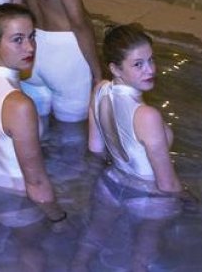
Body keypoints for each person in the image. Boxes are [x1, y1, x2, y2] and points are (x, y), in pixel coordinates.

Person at [81, 24, 192, 269]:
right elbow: (166, 183)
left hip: (110, 185)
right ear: (115, 68)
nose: (150, 70)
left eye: (151, 60)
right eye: (138, 64)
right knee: (141, 260)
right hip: (148, 198)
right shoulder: (147, 115)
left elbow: (95, 150)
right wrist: (187, 199)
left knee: (91, 241)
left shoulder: (99, 90)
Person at [0, 3, 68, 229]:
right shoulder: (19, 105)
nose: (30, 47)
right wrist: (58, 218)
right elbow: (36, 182)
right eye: (18, 39)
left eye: (32, 36)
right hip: (15, 204)